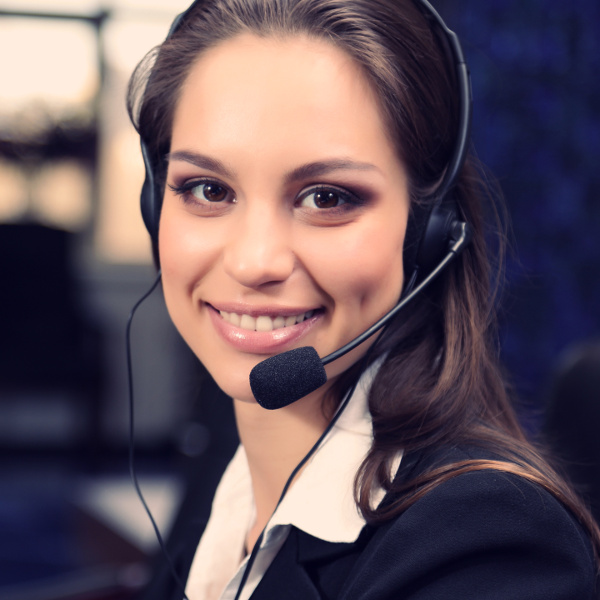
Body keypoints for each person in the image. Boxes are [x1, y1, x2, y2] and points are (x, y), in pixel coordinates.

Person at [127, 0, 600, 598]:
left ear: (428, 230)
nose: (253, 262)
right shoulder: (230, 463)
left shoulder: (489, 548)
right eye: (208, 188)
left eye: (326, 197)